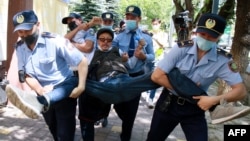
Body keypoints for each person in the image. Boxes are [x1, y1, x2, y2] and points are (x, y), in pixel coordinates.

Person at [146, 13, 250, 141]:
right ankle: (216, 111)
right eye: (202, 34)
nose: (206, 38)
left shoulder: (223, 60)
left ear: (219, 37)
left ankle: (215, 108)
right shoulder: (182, 48)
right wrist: (189, 90)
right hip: (168, 104)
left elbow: (241, 91)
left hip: (195, 108)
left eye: (211, 36)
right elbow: (156, 76)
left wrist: (214, 100)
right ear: (196, 31)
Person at [5, 10, 88, 141]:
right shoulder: (20, 47)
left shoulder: (55, 41)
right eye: (21, 31)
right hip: (43, 93)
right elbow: (26, 74)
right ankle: (40, 101)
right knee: (53, 129)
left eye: (28, 29)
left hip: (64, 90)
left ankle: (38, 102)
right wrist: (40, 90)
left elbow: (81, 60)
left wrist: (82, 86)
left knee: (65, 134)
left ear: (38, 24)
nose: (25, 35)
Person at [112, 5, 154, 141]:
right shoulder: (119, 37)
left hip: (136, 77)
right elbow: (111, 54)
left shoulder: (146, 38)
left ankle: (126, 136)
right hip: (121, 75)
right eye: (127, 17)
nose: (129, 19)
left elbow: (153, 56)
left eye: (133, 17)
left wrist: (144, 57)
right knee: (117, 105)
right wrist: (120, 58)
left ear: (139, 19)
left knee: (131, 108)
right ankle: (127, 120)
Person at [146, 18, 169, 109]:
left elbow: (163, 45)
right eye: (153, 24)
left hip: (158, 59)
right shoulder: (148, 33)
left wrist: (155, 38)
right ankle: (148, 94)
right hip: (148, 59)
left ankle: (151, 99)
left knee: (155, 78)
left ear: (160, 24)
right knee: (148, 78)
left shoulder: (164, 34)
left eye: (157, 24)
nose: (155, 25)